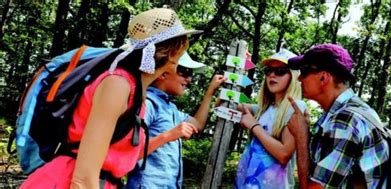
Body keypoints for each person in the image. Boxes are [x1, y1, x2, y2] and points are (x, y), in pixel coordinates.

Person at [21, 8, 202, 189]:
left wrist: (167, 137)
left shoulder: (137, 91)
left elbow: (120, 156)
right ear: (171, 51)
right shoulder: (118, 85)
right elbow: (82, 179)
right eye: (181, 46)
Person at [286, 44, 389, 189]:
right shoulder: (353, 111)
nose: (299, 79)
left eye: (304, 71)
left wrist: (301, 137)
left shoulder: (345, 121)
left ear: (323, 78)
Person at [125, 53, 226, 189]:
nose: (189, 79)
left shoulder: (170, 108)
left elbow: (197, 124)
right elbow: (127, 152)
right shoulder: (147, 103)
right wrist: (168, 136)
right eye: (184, 71)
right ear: (162, 74)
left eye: (190, 73)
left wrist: (210, 92)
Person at [234, 49, 307, 189]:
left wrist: (254, 126)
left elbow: (284, 154)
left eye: (280, 71)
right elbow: (223, 103)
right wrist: (240, 70)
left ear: (293, 76)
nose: (272, 75)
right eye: (268, 70)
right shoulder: (262, 109)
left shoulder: (296, 106)